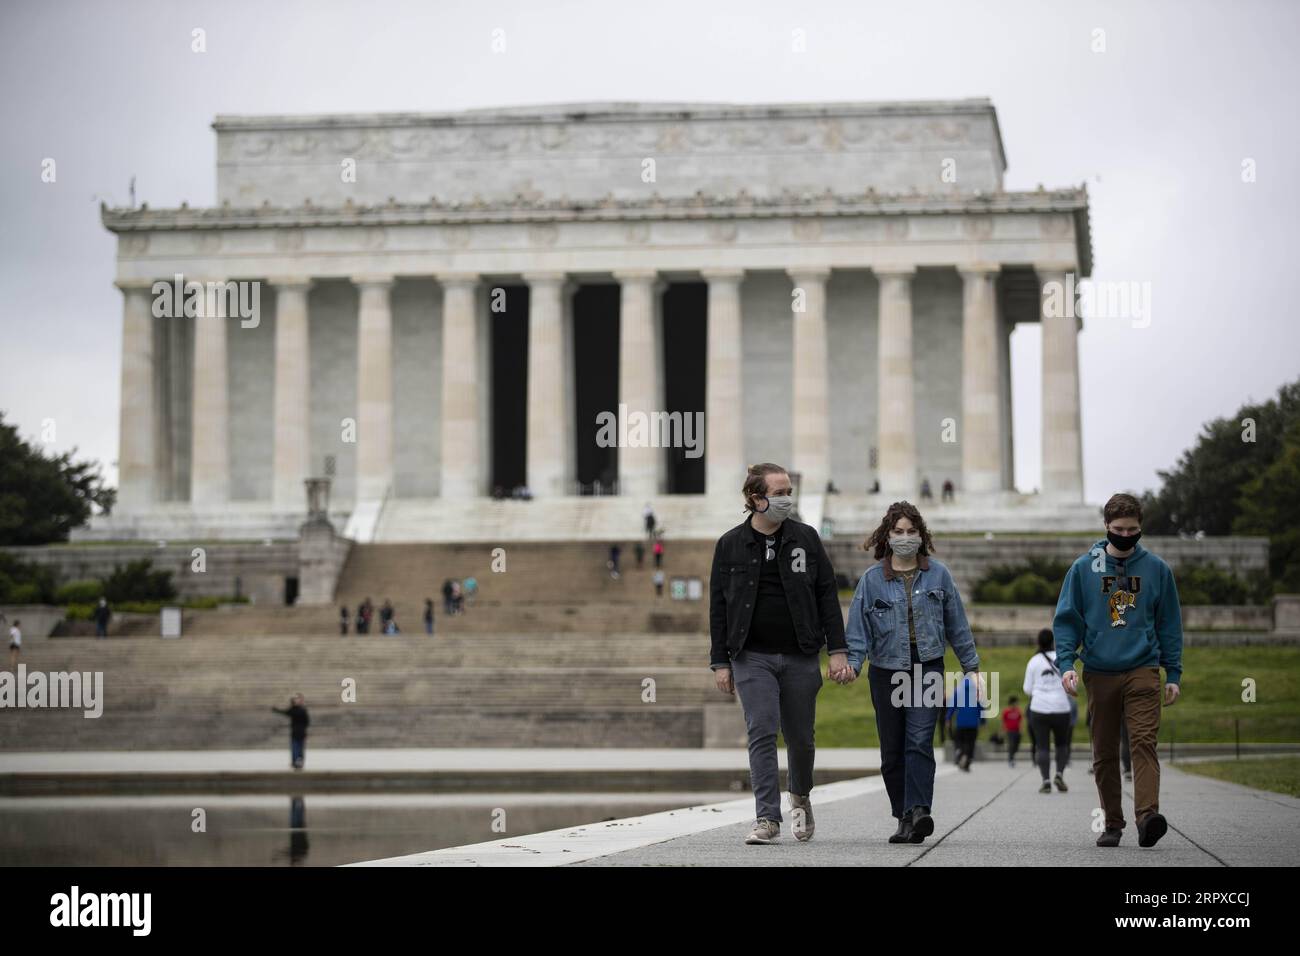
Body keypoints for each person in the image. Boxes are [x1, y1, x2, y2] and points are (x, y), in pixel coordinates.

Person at [710, 462, 849, 845]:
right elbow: (718, 607)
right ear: (755, 499)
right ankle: (767, 818)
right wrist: (720, 661)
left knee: (801, 738)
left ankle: (800, 797)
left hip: (801, 653)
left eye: (789, 492)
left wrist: (837, 651)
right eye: (780, 493)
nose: (787, 499)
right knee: (761, 732)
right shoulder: (730, 544)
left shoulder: (807, 538)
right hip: (750, 655)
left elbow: (826, 596)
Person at [844, 500, 980, 845]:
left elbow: (957, 625)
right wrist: (853, 664)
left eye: (911, 532)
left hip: (927, 666)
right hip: (886, 671)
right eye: (899, 532)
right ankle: (904, 817)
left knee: (919, 741)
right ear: (887, 536)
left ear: (921, 535)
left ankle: (919, 809)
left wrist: (972, 668)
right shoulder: (872, 580)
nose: (905, 538)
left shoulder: (939, 575)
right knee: (892, 750)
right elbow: (858, 630)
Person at [1054, 492, 1183, 849]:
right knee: (1105, 751)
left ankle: (1147, 817)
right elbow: (1066, 621)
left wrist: (1172, 674)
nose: (1126, 535)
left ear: (1141, 528)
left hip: (1143, 668)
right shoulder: (1083, 569)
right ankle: (1112, 822)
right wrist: (1067, 665)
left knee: (1143, 742)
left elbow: (1170, 625)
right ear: (1106, 527)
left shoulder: (1157, 570)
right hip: (1100, 670)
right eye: (1118, 529)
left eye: (1132, 529)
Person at [1023, 628, 1071, 793]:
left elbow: (1027, 689)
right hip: (1061, 707)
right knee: (1061, 744)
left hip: (1039, 708)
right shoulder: (1061, 658)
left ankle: (1045, 781)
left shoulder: (1033, 661)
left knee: (1042, 746)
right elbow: (1071, 685)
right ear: (1053, 641)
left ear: (1038, 642)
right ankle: (1059, 773)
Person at [947, 671, 984, 771]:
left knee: (959, 740)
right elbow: (981, 707)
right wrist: (983, 721)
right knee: (970, 742)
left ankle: (960, 751)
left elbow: (952, 706)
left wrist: (948, 719)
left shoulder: (958, 690)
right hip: (973, 722)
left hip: (961, 722)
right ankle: (967, 758)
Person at [272, 693, 310, 770]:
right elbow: (306, 722)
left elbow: (306, 722)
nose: (296, 700)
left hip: (300, 732)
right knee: (296, 747)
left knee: (298, 748)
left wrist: (276, 710)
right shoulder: (298, 710)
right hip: (296, 732)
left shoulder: (299, 710)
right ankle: (297, 761)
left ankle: (297, 761)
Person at [1001, 694, 1024, 768]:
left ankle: (1013, 756)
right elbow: (1003, 721)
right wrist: (1003, 730)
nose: (1017, 704)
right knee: (1011, 745)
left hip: (1017, 731)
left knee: (1016, 745)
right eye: (1016, 702)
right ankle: (1010, 759)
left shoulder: (1018, 711)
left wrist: (1021, 729)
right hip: (1010, 731)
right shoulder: (1006, 711)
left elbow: (1020, 721)